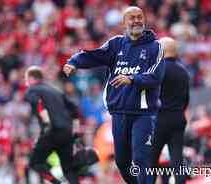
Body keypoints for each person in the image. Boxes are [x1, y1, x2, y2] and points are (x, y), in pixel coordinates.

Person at [63, 6, 165, 184]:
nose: (136, 21)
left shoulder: (155, 47)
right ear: (124, 23)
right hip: (118, 113)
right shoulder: (116, 44)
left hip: (144, 114)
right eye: (132, 18)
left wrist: (132, 79)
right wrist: (75, 61)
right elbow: (96, 55)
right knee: (122, 162)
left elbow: (156, 77)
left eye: (139, 17)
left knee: (142, 159)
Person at [24, 66, 79, 184]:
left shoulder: (33, 89)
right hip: (66, 133)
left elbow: (37, 103)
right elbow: (74, 109)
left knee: (35, 163)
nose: (26, 83)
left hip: (52, 131)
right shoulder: (55, 91)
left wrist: (46, 124)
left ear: (32, 79)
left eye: (27, 79)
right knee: (68, 169)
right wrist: (75, 132)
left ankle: (56, 182)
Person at [151, 37, 190, 184]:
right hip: (178, 118)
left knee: (151, 161)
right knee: (177, 160)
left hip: (159, 120)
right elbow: (186, 99)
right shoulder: (183, 71)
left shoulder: (157, 69)